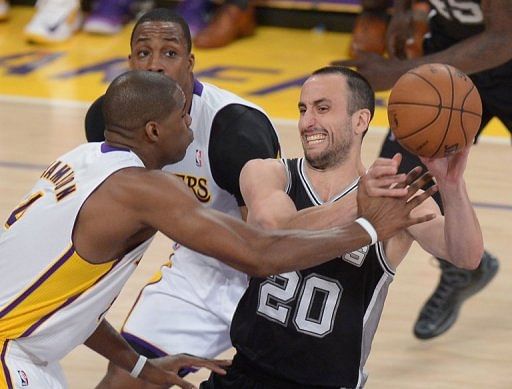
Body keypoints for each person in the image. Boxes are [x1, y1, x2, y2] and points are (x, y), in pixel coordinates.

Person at [0, 70, 433, 389]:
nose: (192, 125)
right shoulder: (142, 189)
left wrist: (135, 364)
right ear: (153, 131)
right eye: (182, 117)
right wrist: (368, 225)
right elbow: (259, 253)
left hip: (25, 348)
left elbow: (71, 303)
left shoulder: (81, 160)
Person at [201, 66, 484, 389]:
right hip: (243, 375)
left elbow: (466, 256)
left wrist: (451, 184)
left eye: (323, 109)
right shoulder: (268, 173)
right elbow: (272, 229)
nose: (308, 122)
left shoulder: (400, 198)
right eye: (303, 109)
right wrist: (360, 204)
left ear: (360, 120)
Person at [84, 8, 277, 388]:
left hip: (270, 274)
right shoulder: (110, 120)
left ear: (190, 63)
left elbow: (265, 239)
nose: (155, 65)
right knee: (125, 380)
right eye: (143, 53)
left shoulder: (235, 128)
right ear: (129, 61)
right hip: (199, 270)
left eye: (169, 54)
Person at [335, 0, 507, 340]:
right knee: (401, 184)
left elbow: (504, 36)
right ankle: (460, 269)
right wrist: (402, 9)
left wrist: (399, 71)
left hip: (502, 50)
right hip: (450, 51)